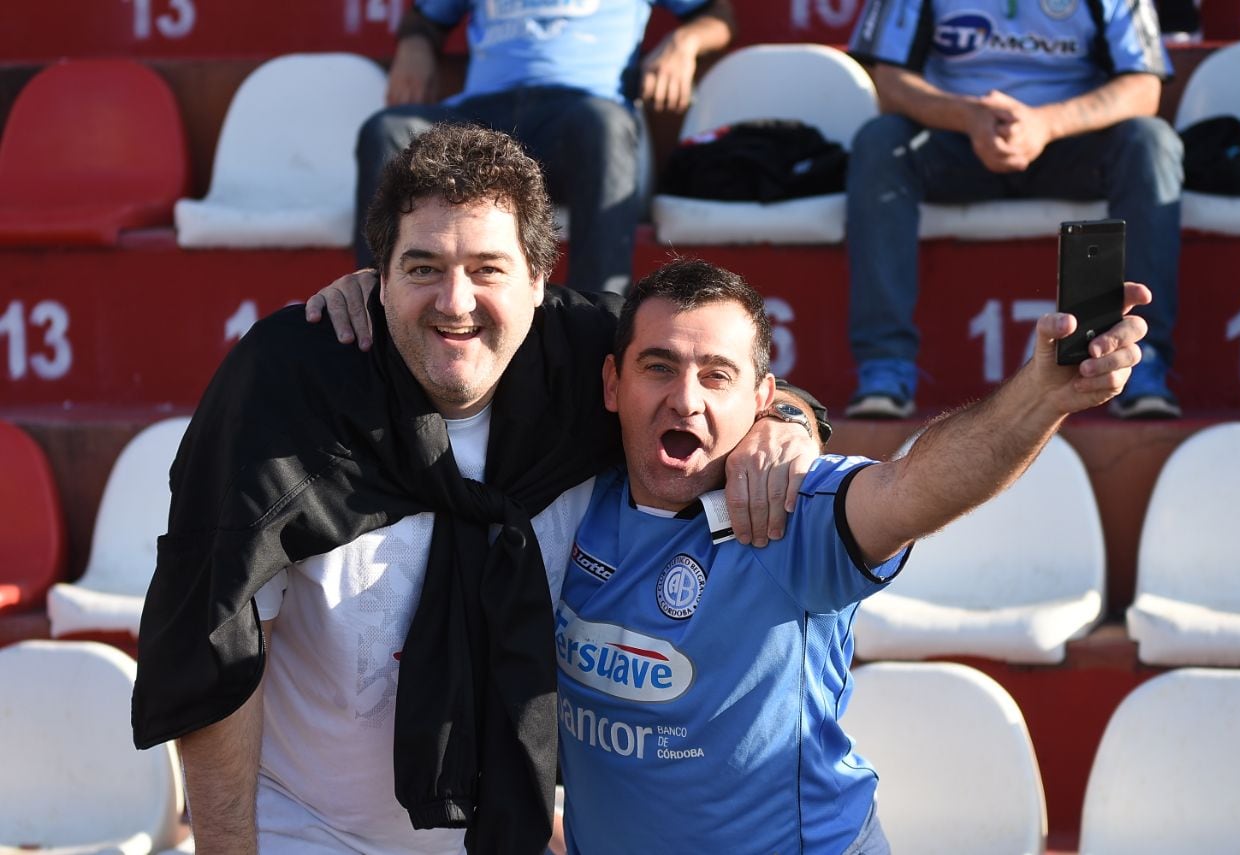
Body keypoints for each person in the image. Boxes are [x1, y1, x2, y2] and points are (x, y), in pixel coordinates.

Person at [131, 124, 822, 855]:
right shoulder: (290, 385)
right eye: (422, 266)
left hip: (508, 835)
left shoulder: (589, 360)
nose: (454, 303)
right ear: (377, 277)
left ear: (539, 280)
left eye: (487, 268)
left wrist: (788, 419)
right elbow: (217, 646)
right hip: (306, 829)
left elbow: (714, 378)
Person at [554, 256, 1150, 852]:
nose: (685, 400)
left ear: (763, 398)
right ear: (612, 383)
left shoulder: (787, 510)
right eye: (658, 367)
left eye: (717, 376)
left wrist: (1039, 397)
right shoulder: (566, 503)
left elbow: (912, 487)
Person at [843, 0, 1182, 420]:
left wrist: (1045, 125)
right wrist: (969, 117)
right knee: (879, 142)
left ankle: (1140, 362)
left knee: (1151, 143)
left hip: (1074, 143)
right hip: (954, 142)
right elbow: (890, 84)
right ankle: (884, 367)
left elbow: (1143, 87)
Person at [355, 0, 735, 295]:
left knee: (604, 124)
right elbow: (425, 18)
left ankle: (596, 321)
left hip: (578, 118)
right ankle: (378, 313)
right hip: (482, 120)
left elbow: (717, 14)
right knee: (389, 130)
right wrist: (415, 45)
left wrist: (685, 42)